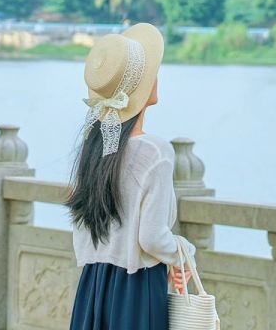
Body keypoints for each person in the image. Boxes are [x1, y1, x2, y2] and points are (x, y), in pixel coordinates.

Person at [68, 23, 194, 329]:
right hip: (136, 291)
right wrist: (184, 253)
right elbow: (151, 237)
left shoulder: (93, 145)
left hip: (93, 286)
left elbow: (82, 230)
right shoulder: (155, 151)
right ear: (144, 84)